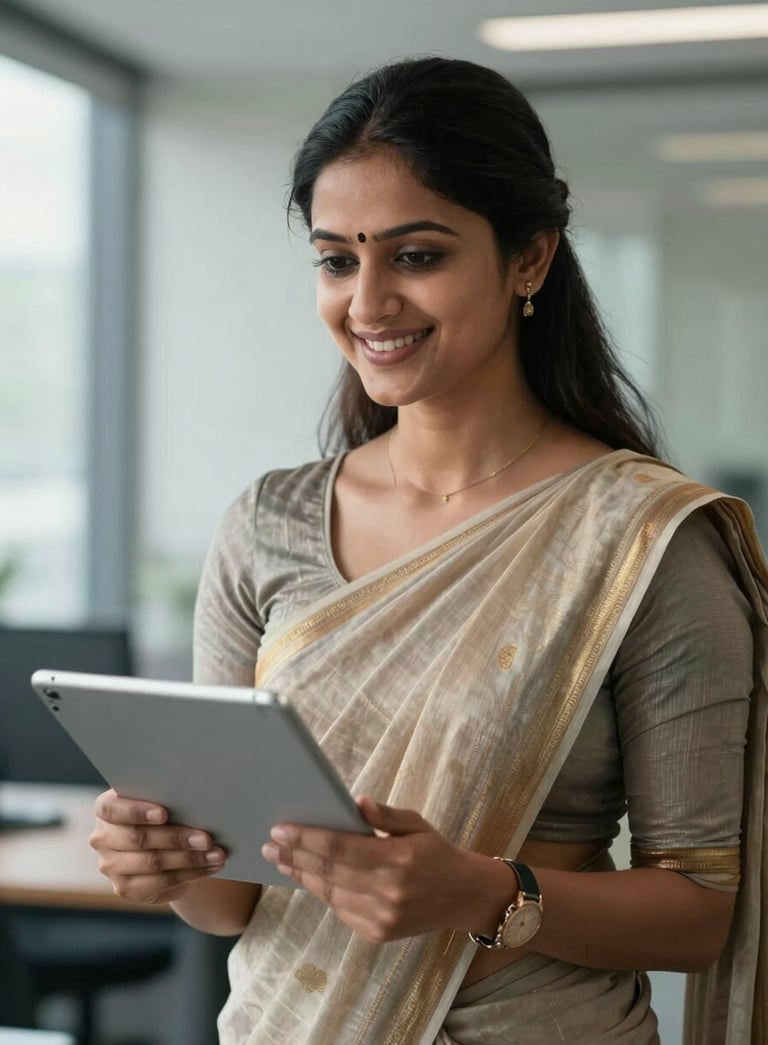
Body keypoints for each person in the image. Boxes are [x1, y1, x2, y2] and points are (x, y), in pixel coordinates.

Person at [89, 57, 768, 1044]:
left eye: (416, 256)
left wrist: (483, 892)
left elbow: (701, 912)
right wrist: (172, 864)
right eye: (336, 259)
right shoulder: (266, 525)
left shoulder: (642, 540)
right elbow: (232, 900)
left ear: (529, 258)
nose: (367, 303)